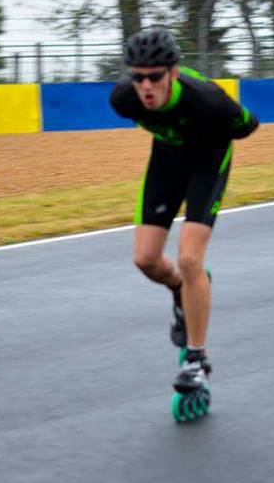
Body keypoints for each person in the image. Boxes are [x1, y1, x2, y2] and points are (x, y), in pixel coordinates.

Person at [110, 26, 259, 396]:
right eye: (138, 77)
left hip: (208, 159)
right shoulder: (123, 99)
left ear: (173, 73)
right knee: (146, 259)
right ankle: (180, 290)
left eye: (155, 77)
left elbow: (247, 125)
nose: (146, 86)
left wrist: (208, 133)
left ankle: (197, 359)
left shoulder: (206, 100)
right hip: (168, 158)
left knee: (190, 258)